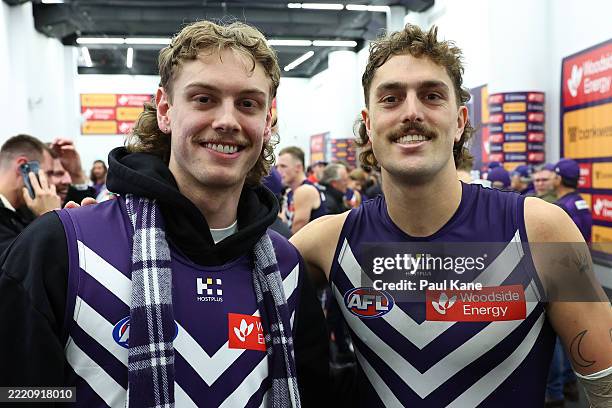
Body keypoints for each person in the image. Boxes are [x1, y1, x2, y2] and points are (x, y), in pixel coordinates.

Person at [0, 20, 330, 407]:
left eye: (248, 103)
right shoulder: (62, 246)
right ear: (165, 111)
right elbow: (17, 393)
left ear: (267, 121)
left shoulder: (286, 266)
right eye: (203, 99)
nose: (226, 121)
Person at [291, 24, 612, 407]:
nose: (412, 113)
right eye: (391, 99)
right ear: (369, 124)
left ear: (460, 121)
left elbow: (605, 383)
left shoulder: (541, 231)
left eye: (431, 95)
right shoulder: (325, 243)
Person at [0, 134, 61, 254]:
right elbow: (18, 265)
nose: (53, 182)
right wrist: (52, 219)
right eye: (49, 173)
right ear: (23, 167)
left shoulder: (24, 210)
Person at [277, 146, 327, 234]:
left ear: (298, 168)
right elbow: (283, 222)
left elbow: (296, 234)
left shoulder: (305, 190)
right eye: (278, 166)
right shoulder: (289, 192)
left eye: (283, 166)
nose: (278, 171)